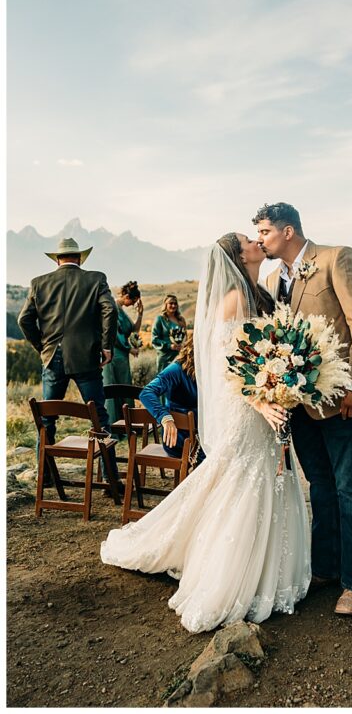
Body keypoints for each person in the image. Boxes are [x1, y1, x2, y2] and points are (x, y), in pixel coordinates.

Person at [101, 232, 310, 633]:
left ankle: (276, 570)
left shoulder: (261, 295)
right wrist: (262, 401)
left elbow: (267, 355)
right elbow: (231, 365)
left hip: (265, 403)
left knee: (267, 476)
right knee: (244, 481)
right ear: (238, 256)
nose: (256, 242)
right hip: (247, 407)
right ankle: (232, 577)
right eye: (250, 240)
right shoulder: (233, 299)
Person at [256, 202, 352, 617]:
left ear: (287, 231)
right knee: (321, 487)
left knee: (349, 488)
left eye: (265, 232)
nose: (260, 240)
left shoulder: (336, 259)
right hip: (302, 405)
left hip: (344, 400)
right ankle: (326, 568)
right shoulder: (274, 279)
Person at [18, 237, 117, 445]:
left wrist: (42, 346)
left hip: (52, 357)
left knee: (46, 419)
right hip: (87, 357)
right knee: (98, 416)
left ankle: (44, 475)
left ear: (57, 260)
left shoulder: (38, 283)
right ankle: (109, 474)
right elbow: (110, 309)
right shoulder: (96, 279)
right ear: (80, 258)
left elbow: (24, 320)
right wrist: (106, 346)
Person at [138, 332, 203, 463]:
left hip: (204, 435)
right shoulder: (176, 369)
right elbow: (146, 393)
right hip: (179, 439)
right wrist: (165, 418)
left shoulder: (210, 370)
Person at [103, 280, 144, 432]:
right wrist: (129, 349)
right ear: (126, 296)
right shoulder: (113, 307)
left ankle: (128, 424)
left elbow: (133, 330)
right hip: (113, 355)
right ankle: (114, 426)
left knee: (125, 386)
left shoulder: (122, 309)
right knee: (114, 387)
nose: (132, 304)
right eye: (132, 301)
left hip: (121, 356)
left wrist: (140, 314)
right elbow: (112, 334)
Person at [151, 294, 188, 373]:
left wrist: (183, 347)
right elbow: (155, 340)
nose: (173, 305)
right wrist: (170, 346)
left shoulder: (181, 320)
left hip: (179, 356)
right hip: (165, 357)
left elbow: (186, 337)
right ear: (165, 305)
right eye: (171, 303)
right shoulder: (160, 319)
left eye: (175, 303)